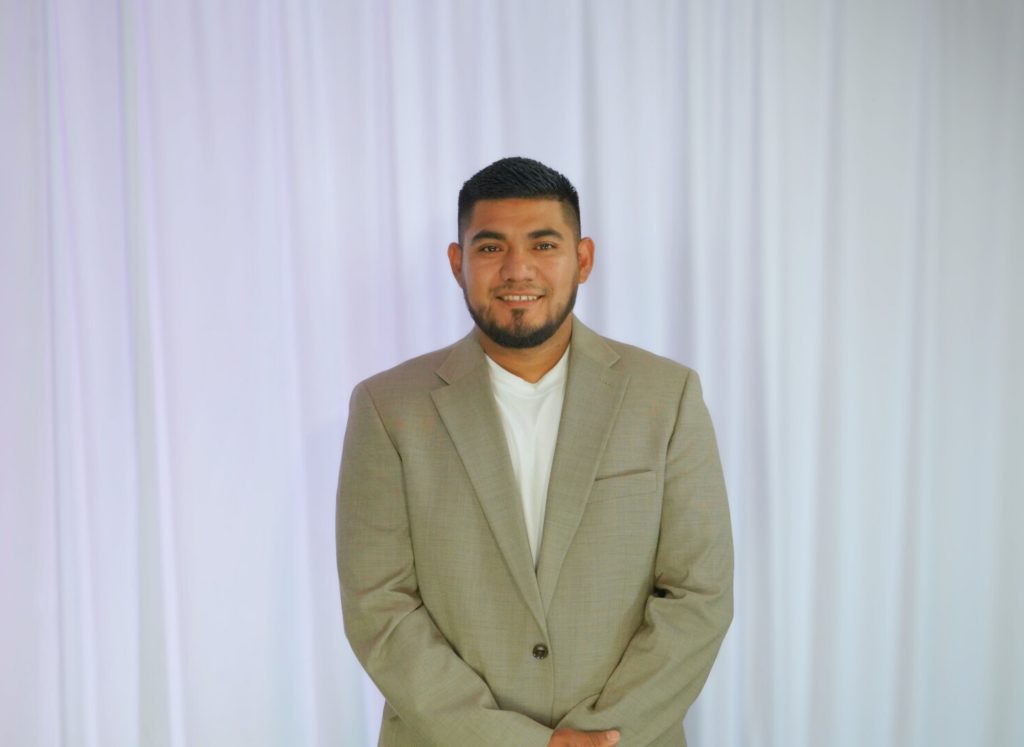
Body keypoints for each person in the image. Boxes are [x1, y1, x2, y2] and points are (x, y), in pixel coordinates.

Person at [336, 157, 733, 747]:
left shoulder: (667, 396)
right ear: (457, 263)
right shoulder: (387, 407)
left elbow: (699, 594)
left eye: (544, 244)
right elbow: (379, 608)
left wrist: (602, 736)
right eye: (490, 247)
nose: (517, 269)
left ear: (583, 259)